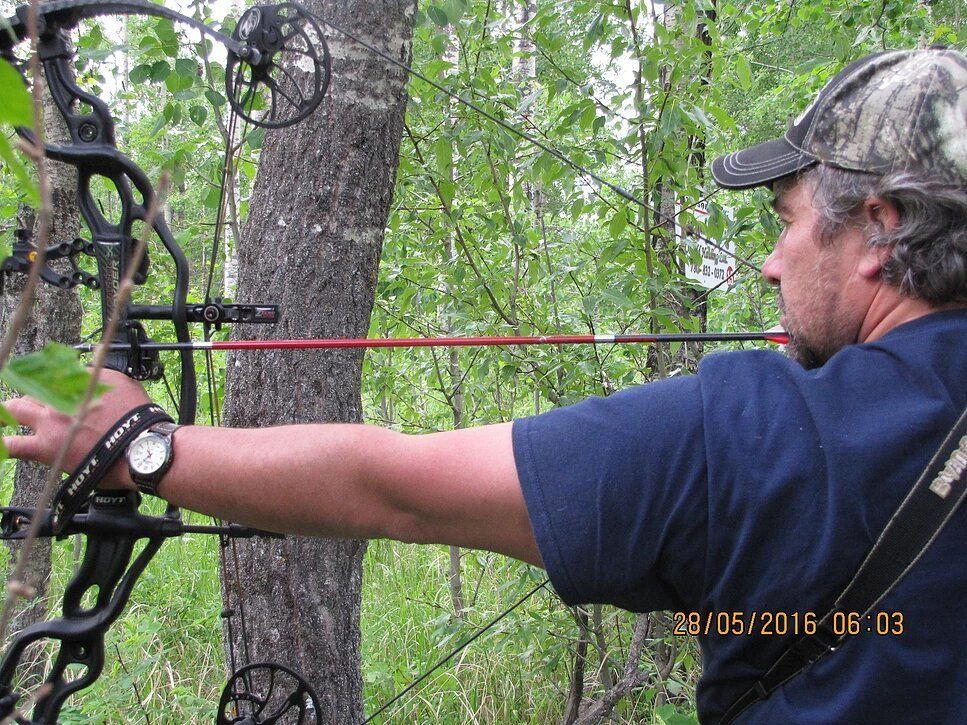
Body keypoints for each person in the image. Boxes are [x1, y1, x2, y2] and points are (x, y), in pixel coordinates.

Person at [5, 47, 965, 722]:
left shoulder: (748, 434)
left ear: (878, 227)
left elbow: (395, 486)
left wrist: (142, 445)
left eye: (787, 219)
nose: (768, 262)